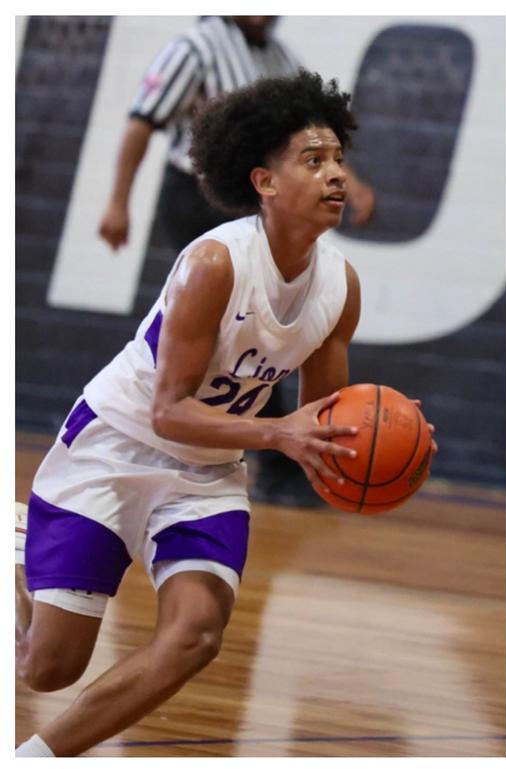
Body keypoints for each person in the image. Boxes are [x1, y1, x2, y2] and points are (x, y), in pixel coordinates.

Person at [16, 70, 367, 757]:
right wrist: (277, 431)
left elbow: (325, 422)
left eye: (340, 161)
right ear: (264, 181)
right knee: (45, 666)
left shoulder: (340, 288)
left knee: (198, 633)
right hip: (115, 445)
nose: (336, 176)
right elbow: (170, 412)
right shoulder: (215, 262)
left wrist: (378, 454)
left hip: (206, 474)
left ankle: (35, 758)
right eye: (313, 160)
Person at [97, 16, 374, 506]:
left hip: (264, 197)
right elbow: (141, 122)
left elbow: (307, 142)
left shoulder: (279, 55)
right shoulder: (195, 48)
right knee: (224, 324)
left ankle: (274, 459)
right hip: (195, 192)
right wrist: (117, 200)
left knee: (264, 338)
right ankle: (264, 451)